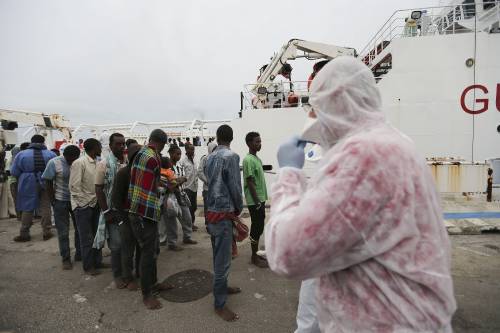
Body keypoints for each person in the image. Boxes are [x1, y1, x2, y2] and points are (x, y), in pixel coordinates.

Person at [265, 57, 456, 332]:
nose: (312, 117)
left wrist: (288, 175)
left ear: (335, 102)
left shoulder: (364, 156)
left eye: (315, 107)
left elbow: (287, 253)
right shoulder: (396, 144)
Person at [128, 129, 173, 310]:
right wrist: (168, 187)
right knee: (147, 254)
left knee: (152, 251)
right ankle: (147, 294)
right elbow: (152, 188)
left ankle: (154, 284)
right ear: (162, 143)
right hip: (144, 212)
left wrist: (163, 184)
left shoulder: (141, 152)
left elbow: (147, 181)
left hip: (137, 210)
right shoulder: (154, 159)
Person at [205, 124, 242, 322]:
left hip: (211, 213)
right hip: (223, 214)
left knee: (218, 255)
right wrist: (239, 207)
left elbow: (208, 184)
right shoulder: (231, 157)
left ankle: (223, 288)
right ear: (231, 137)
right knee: (223, 260)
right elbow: (235, 185)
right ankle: (219, 304)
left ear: (217, 138)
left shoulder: (208, 158)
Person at [94, 133, 127, 287]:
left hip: (126, 210)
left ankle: (126, 272)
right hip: (113, 211)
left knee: (127, 244)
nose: (121, 147)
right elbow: (99, 189)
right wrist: (106, 212)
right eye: (118, 144)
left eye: (123, 144)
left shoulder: (126, 162)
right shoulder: (104, 164)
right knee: (116, 245)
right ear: (111, 145)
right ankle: (117, 275)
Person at [42, 145, 82, 270]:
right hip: (61, 201)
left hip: (77, 200)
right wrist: (53, 200)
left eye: (74, 159)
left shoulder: (79, 162)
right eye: (69, 159)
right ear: (65, 156)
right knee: (63, 232)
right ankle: (65, 258)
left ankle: (79, 255)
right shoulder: (54, 163)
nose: (71, 161)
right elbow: (48, 181)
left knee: (79, 229)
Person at [11, 134, 57, 242]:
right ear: (43, 142)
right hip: (47, 180)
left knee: (27, 207)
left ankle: (24, 233)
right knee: (46, 206)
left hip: (27, 180)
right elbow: (56, 170)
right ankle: (47, 232)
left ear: (31, 142)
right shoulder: (51, 154)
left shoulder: (21, 154)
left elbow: (14, 172)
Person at [69, 138, 103, 275]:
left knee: (96, 236)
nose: (101, 148)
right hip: (84, 206)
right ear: (95, 147)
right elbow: (74, 187)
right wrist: (84, 204)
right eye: (100, 146)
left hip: (95, 204)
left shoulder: (97, 162)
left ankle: (97, 262)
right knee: (86, 238)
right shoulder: (80, 163)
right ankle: (88, 266)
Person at [111, 143, 142, 291]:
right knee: (127, 249)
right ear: (130, 156)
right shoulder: (123, 173)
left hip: (140, 216)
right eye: (136, 155)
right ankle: (127, 277)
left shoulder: (141, 173)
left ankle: (140, 272)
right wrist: (124, 218)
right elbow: (116, 199)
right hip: (126, 216)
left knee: (141, 247)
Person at [242, 132, 268, 268]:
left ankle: (256, 253)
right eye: (257, 142)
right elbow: (250, 182)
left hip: (260, 199)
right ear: (249, 143)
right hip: (255, 201)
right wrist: (257, 201)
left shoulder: (257, 159)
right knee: (256, 227)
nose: (259, 144)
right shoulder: (248, 160)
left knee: (259, 226)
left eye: (260, 141)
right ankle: (254, 257)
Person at [164, 145, 197, 250]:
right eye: (177, 154)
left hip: (181, 195)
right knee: (171, 221)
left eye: (180, 154)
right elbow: (169, 183)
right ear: (171, 153)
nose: (178, 156)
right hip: (170, 197)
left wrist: (177, 181)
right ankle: (172, 243)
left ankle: (187, 237)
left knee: (187, 217)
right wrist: (178, 180)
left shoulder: (179, 166)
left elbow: (183, 178)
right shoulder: (165, 166)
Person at [197, 142, 217, 225]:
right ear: (210, 149)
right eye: (214, 149)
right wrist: (207, 181)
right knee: (207, 207)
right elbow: (200, 172)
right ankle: (208, 224)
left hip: (216, 189)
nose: (216, 151)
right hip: (207, 189)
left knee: (214, 208)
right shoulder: (205, 159)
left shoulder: (217, 159)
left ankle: (213, 222)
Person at [180, 143, 199, 231]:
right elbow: (181, 174)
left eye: (193, 149)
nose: (192, 151)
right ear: (186, 150)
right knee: (189, 207)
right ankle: (189, 225)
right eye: (191, 149)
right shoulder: (183, 161)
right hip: (187, 187)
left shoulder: (194, 160)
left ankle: (192, 223)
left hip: (194, 187)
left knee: (194, 206)